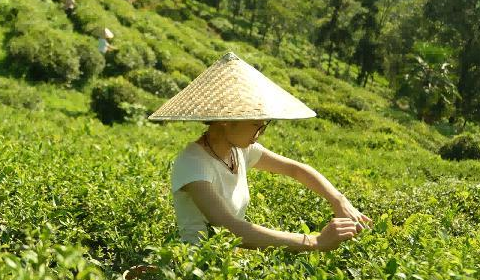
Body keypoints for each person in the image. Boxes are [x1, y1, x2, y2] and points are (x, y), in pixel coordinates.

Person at [149, 52, 372, 251]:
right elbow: (230, 228)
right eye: (257, 124)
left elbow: (296, 169)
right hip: (197, 269)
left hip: (230, 259)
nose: (261, 132)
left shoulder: (240, 151)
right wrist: (314, 242)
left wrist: (338, 200)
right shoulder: (193, 163)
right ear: (227, 120)